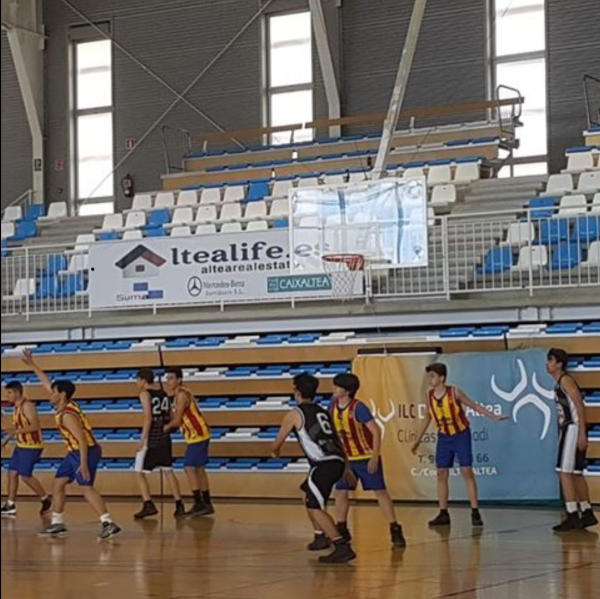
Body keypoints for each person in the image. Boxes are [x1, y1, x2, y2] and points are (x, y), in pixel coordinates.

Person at [20, 349, 121, 540]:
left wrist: (83, 464)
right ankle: (57, 523)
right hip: (74, 452)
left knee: (85, 488)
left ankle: (108, 522)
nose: (50, 394)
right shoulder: (64, 404)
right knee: (58, 484)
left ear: (62, 394)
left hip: (85, 451)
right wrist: (33, 365)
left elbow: (82, 440)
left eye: (54, 392)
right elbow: (47, 383)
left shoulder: (67, 415)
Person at [272, 372, 356, 563]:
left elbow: (278, 442)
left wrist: (275, 451)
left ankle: (341, 545)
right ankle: (320, 535)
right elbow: (337, 441)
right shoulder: (322, 411)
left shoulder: (295, 413)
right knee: (306, 492)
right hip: (337, 461)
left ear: (296, 391)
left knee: (314, 506)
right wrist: (347, 468)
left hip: (323, 465)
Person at [411, 362, 506, 527]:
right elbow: (427, 417)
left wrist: (493, 416)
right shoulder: (428, 395)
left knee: (467, 471)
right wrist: (417, 440)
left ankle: (475, 511)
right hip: (444, 436)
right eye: (429, 376)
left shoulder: (454, 392)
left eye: (433, 376)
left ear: (442, 378)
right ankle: (443, 513)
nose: (430, 379)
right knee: (441, 473)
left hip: (461, 435)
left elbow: (474, 405)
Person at [329, 373, 406, 548]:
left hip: (365, 457)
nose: (333, 388)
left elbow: (376, 431)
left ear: (347, 391)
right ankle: (341, 527)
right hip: (346, 459)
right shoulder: (332, 406)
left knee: (380, 491)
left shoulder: (359, 408)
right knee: (340, 492)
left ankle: (394, 527)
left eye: (337, 386)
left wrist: (374, 456)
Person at [546, 348, 597, 531]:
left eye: (551, 360)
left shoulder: (566, 380)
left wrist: (583, 432)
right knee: (575, 473)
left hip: (572, 428)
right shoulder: (559, 382)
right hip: (569, 428)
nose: (548, 363)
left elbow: (579, 405)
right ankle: (587, 511)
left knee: (563, 472)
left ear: (559, 363)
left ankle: (572, 514)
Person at [133, 368, 185, 520]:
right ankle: (179, 504)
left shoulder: (144, 394)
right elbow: (170, 415)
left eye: (137, 380)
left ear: (143, 380)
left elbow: (148, 417)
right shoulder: (164, 394)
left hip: (152, 437)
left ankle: (148, 503)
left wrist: (143, 439)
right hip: (165, 436)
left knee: (139, 471)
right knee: (168, 470)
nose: (136, 383)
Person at [163, 367, 213, 517]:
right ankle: (207, 502)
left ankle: (199, 502)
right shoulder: (178, 395)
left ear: (179, 379)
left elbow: (177, 421)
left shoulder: (182, 395)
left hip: (197, 434)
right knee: (198, 469)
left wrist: (166, 427)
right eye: (167, 378)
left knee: (189, 467)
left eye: (171, 378)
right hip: (198, 434)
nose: (168, 381)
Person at [1, 381, 52, 516]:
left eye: (10, 392)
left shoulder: (27, 406)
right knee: (12, 473)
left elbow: (35, 426)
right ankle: (10, 504)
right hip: (21, 445)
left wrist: (14, 433)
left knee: (25, 475)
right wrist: (6, 439)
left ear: (17, 392)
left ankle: (45, 499)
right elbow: (18, 429)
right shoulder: (16, 407)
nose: (7, 395)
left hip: (31, 446)